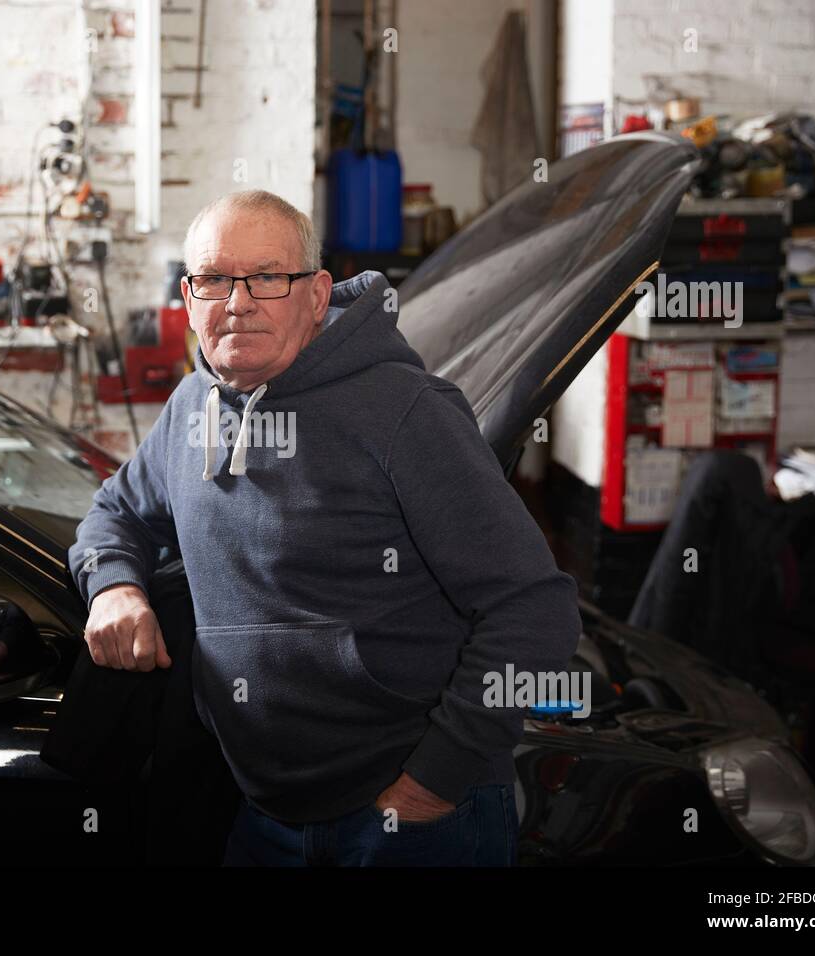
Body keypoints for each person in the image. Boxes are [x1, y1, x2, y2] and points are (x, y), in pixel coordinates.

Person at [68, 189, 581, 866]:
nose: (239, 301)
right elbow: (114, 513)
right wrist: (113, 587)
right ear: (189, 300)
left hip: (407, 821)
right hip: (260, 813)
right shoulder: (191, 409)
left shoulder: (406, 413)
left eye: (268, 278)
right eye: (215, 279)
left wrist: (432, 785)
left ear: (315, 295)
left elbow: (533, 610)